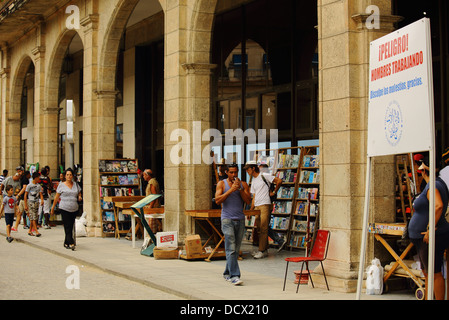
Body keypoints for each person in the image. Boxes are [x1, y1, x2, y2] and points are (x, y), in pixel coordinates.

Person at [408, 156, 449, 300]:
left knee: (434, 272)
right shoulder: (435, 184)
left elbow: (438, 206)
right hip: (422, 237)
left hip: (430, 236)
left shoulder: (434, 185)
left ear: (424, 171)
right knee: (427, 271)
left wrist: (430, 229)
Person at [215, 163, 251, 285]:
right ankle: (234, 276)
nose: (234, 175)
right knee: (230, 248)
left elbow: (248, 201)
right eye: (231, 172)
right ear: (227, 173)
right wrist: (230, 190)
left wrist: (239, 189)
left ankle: (227, 272)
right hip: (227, 219)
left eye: (236, 172)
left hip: (240, 219)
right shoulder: (221, 184)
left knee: (235, 249)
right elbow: (217, 200)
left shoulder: (243, 184)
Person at [244, 160, 283, 259]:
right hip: (257, 205)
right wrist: (250, 210)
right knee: (259, 229)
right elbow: (254, 196)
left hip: (265, 204)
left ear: (253, 168)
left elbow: (279, 181)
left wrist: (274, 192)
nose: (247, 171)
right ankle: (264, 249)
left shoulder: (264, 175)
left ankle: (261, 250)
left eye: (248, 169)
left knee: (264, 228)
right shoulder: (253, 180)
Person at [50, 168, 82, 250]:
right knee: (67, 225)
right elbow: (56, 197)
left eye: (70, 175)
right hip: (64, 207)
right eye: (67, 175)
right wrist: (53, 207)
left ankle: (66, 242)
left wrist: (79, 196)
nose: (69, 176)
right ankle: (71, 242)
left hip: (74, 208)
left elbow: (79, 192)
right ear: (65, 176)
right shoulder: (61, 185)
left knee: (70, 225)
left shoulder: (76, 185)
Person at [258, 163, 287, 252]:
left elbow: (278, 182)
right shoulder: (262, 178)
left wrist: (274, 192)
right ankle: (268, 244)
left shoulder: (266, 177)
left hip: (267, 204)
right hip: (263, 203)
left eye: (259, 170)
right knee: (263, 225)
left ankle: (279, 240)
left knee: (264, 225)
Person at [24, 172, 44, 237]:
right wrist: (25, 205)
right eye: (38, 178)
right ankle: (36, 230)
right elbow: (25, 195)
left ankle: (30, 230)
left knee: (34, 216)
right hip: (31, 202)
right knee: (33, 217)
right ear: (35, 178)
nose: (39, 179)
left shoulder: (39, 186)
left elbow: (40, 193)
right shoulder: (29, 185)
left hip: (36, 202)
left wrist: (42, 200)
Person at [143, 169, 162, 233]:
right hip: (151, 205)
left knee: (151, 224)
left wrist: (150, 207)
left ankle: (151, 236)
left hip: (153, 206)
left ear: (148, 175)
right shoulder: (151, 182)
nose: (143, 176)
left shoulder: (152, 182)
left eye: (144, 175)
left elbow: (154, 195)